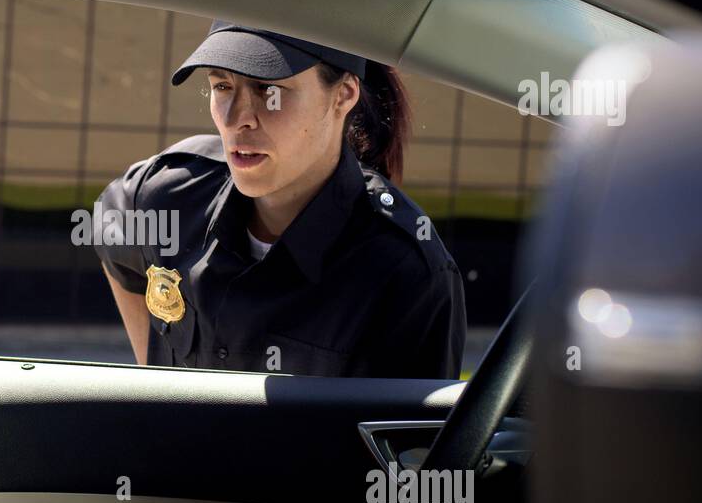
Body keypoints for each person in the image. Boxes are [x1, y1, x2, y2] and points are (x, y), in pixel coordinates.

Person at [94, 20, 466, 378]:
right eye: (222, 86)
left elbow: (409, 438)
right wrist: (153, 389)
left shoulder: (405, 271)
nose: (237, 118)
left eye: (267, 91)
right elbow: (110, 230)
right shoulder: (170, 193)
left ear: (344, 94)